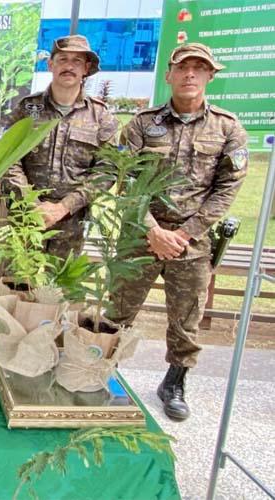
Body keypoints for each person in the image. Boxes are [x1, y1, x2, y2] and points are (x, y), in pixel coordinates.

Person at [107, 43, 248, 421]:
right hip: (140, 235)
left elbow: (227, 188)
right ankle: (104, 374)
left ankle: (174, 382)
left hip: (193, 242)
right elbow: (126, 178)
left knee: (186, 318)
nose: (190, 75)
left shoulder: (228, 128)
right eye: (183, 68)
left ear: (209, 76)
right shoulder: (141, 124)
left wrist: (184, 233)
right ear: (169, 75)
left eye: (199, 68)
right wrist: (152, 229)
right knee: (118, 310)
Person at [5, 35, 118, 261]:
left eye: (77, 61)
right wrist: (31, 202)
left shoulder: (101, 116)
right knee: (18, 288)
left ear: (86, 68)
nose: (68, 66)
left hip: (71, 223)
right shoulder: (27, 109)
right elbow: (8, 160)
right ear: (50, 65)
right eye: (62, 59)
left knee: (61, 292)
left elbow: (107, 171)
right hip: (26, 219)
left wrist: (64, 207)